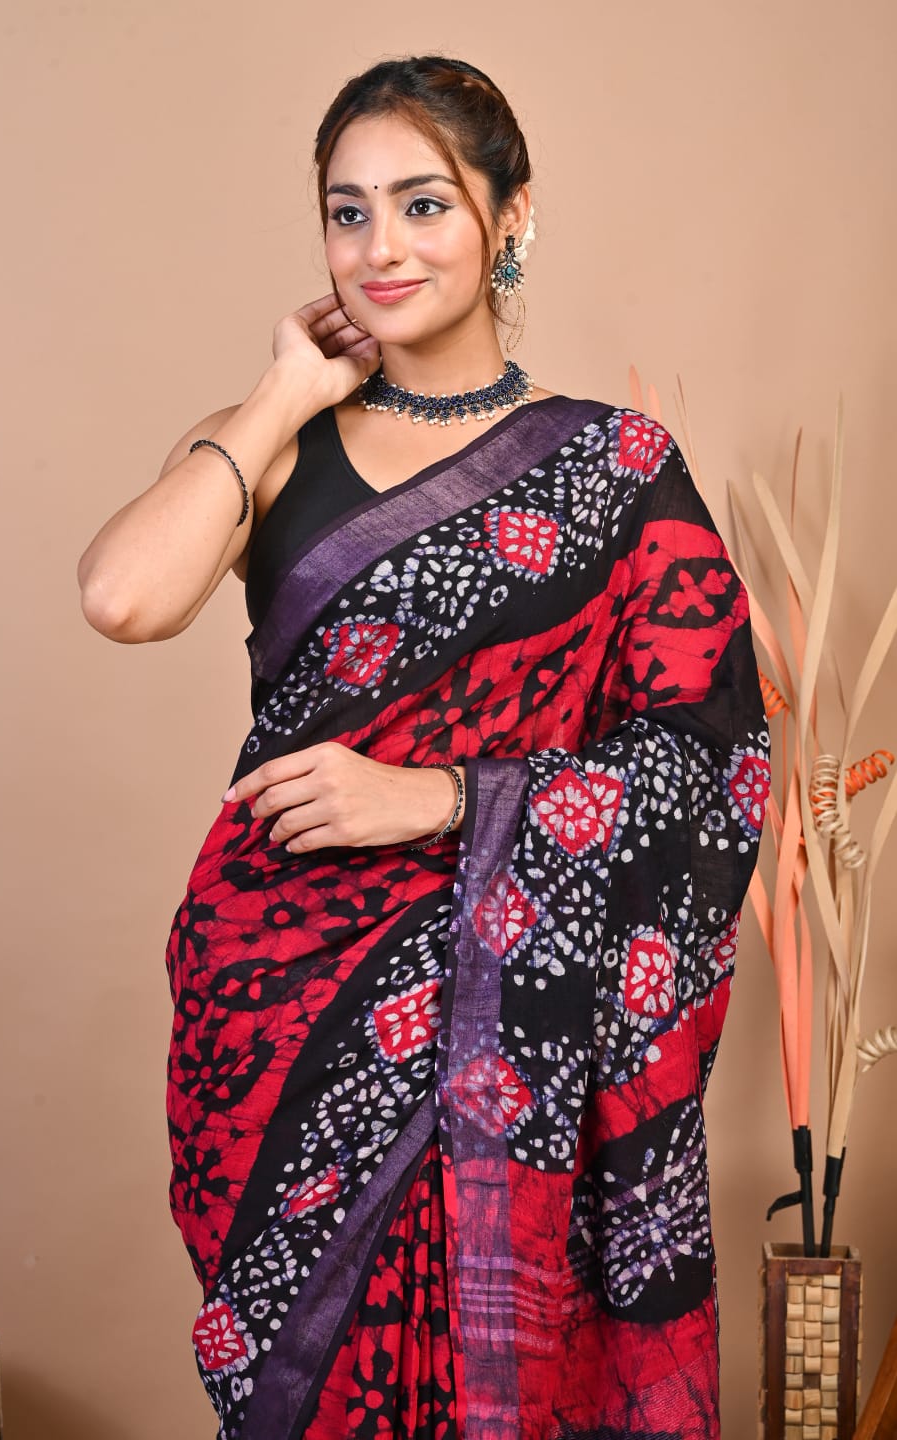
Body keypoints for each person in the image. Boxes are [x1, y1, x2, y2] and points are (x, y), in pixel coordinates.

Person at [78, 54, 769, 1440]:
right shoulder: (269, 445)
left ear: (511, 215)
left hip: (513, 1020)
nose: (380, 248)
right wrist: (280, 394)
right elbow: (122, 598)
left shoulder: (615, 469)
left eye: (423, 204)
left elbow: (709, 758)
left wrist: (444, 798)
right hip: (277, 1007)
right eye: (347, 214)